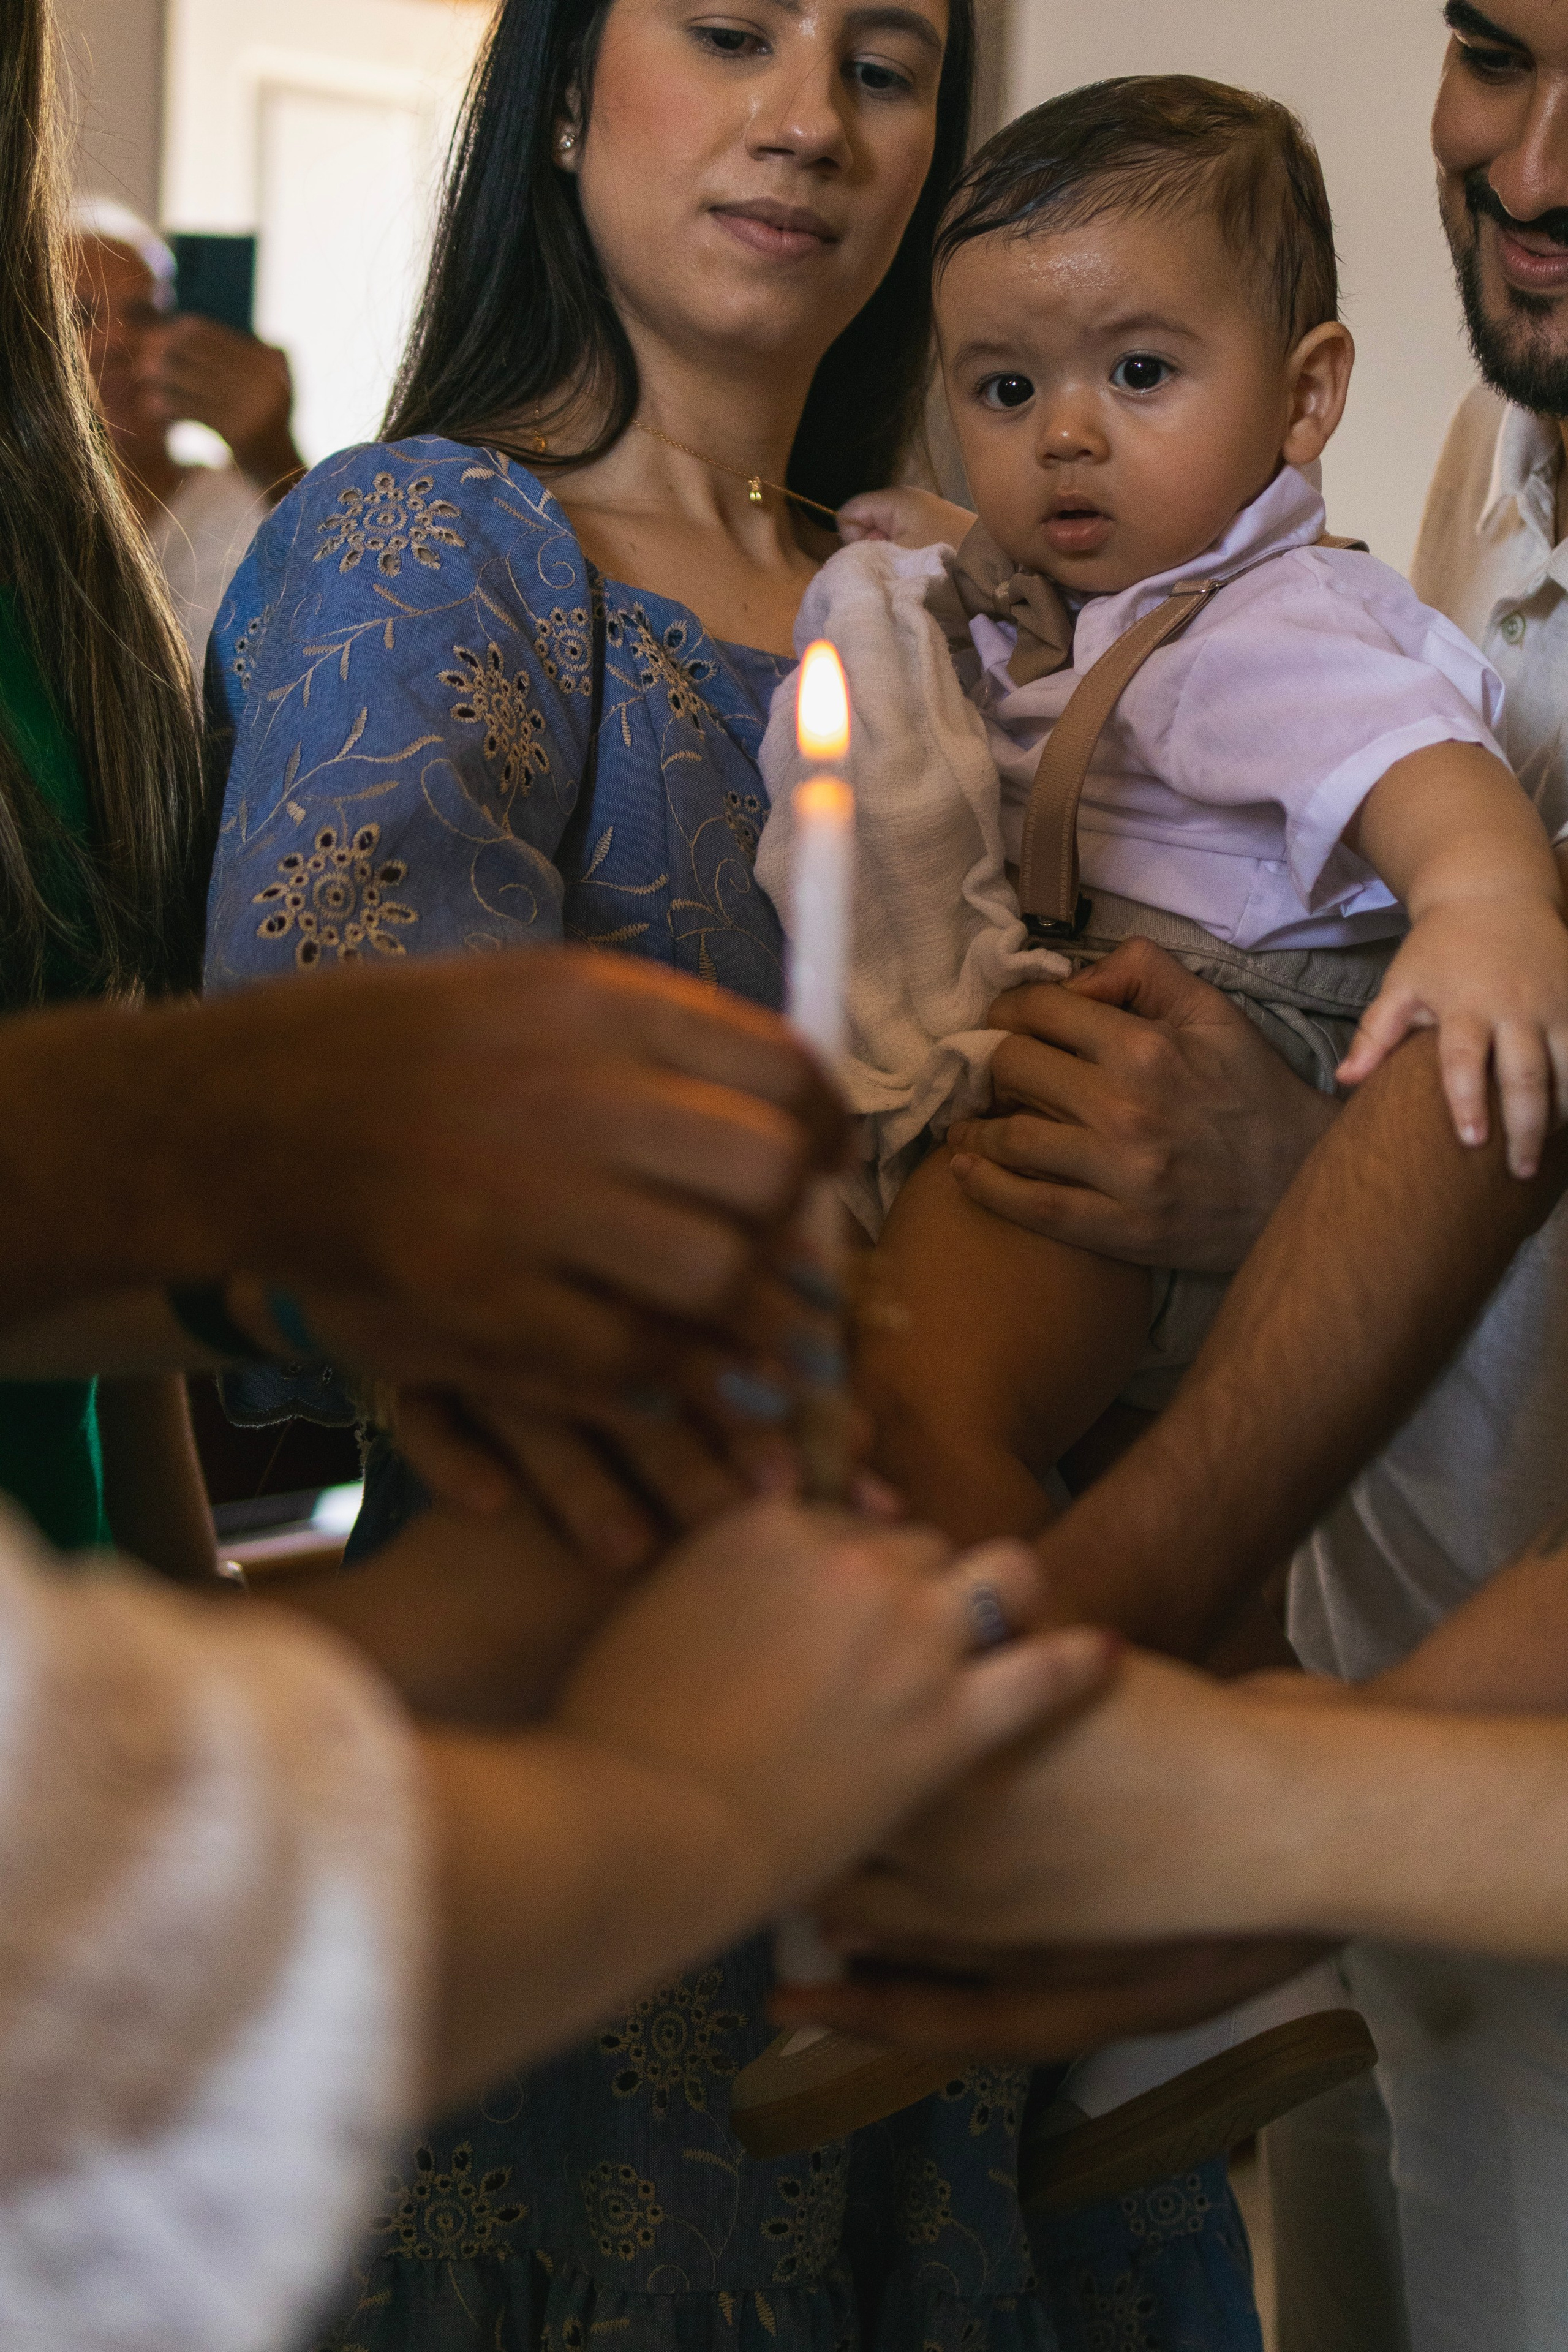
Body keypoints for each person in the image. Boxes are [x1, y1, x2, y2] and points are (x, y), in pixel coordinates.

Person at [200, 0, 1280, 2343]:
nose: (806, 117)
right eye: (726, 32)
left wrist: (1227, 1152)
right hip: (619, 1780)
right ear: (571, 84)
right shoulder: (433, 546)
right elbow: (339, 1155)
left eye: (884, 63)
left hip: (1032, 1757)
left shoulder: (992, 601)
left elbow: (1221, 1006)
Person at [70, 198, 304, 675]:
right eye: (78, 316)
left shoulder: (242, 504)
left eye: (143, 315)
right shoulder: (19, 518)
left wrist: (275, 451)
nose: (116, 341)